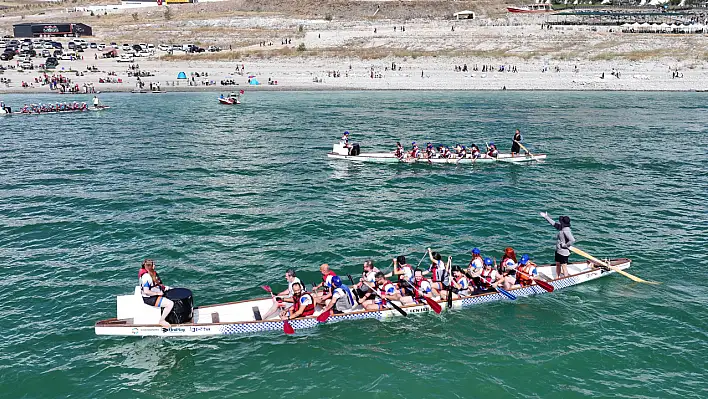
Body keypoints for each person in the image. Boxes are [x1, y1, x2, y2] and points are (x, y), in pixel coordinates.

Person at [138, 259, 174, 328]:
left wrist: (163, 288)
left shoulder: (150, 273)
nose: (155, 265)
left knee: (172, 290)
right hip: (149, 298)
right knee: (170, 304)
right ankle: (162, 320)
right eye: (153, 264)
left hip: (155, 292)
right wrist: (158, 293)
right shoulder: (146, 277)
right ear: (149, 266)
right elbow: (146, 291)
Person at [540, 212, 576, 278]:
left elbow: (572, 240)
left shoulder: (566, 230)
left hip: (564, 253)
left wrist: (565, 245)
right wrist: (546, 216)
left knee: (564, 266)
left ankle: (566, 278)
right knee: (558, 264)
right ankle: (557, 277)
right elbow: (553, 223)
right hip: (558, 251)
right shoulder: (562, 228)